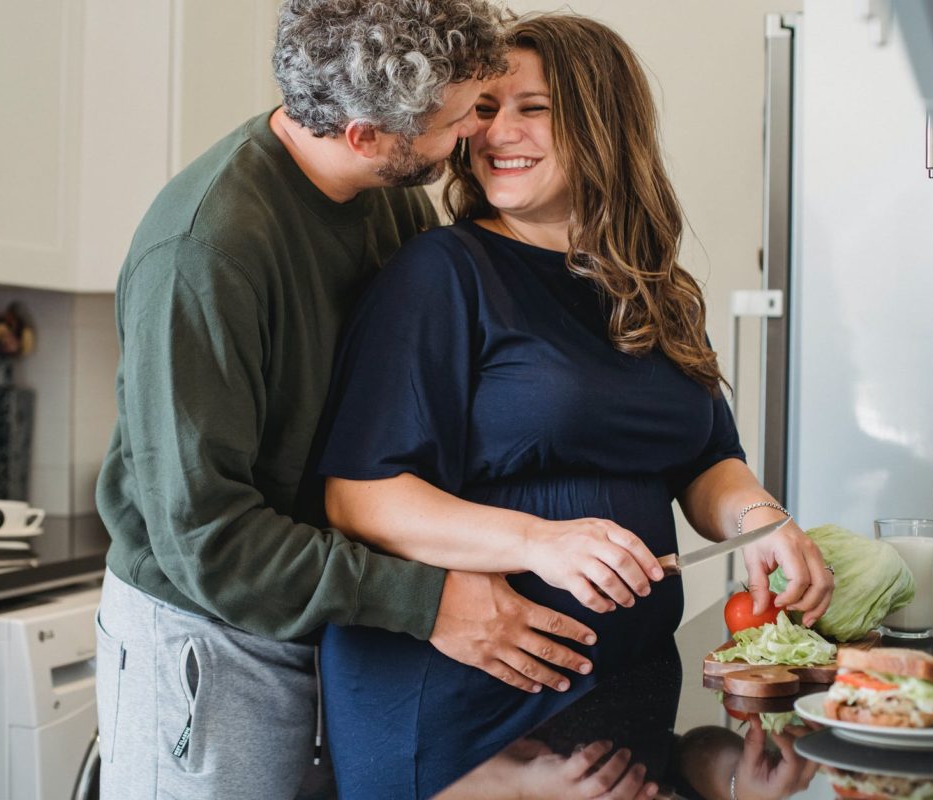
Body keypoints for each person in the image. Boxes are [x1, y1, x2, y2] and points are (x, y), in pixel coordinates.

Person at [314, 13, 835, 799]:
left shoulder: (655, 288)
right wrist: (540, 542)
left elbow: (702, 457)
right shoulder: (442, 275)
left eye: (532, 108)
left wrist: (760, 519)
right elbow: (359, 495)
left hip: (621, 694)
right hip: (465, 713)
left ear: (601, 123)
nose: (496, 134)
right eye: (484, 110)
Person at [93, 3, 602, 798]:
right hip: (212, 634)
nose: (477, 131)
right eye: (461, 116)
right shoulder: (204, 253)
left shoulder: (386, 195)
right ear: (368, 133)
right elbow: (208, 541)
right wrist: (428, 601)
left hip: (329, 616)